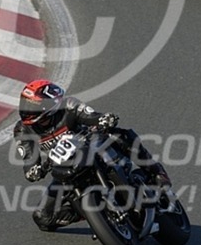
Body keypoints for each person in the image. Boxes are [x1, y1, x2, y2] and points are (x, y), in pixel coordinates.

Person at [13, 79, 171, 231]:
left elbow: (91, 116)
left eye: (33, 106)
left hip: (90, 147)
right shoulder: (22, 130)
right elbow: (29, 163)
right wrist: (36, 170)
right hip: (64, 167)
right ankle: (92, 215)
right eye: (25, 104)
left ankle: (156, 171)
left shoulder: (69, 106)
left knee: (120, 135)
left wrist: (103, 119)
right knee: (42, 217)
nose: (27, 110)